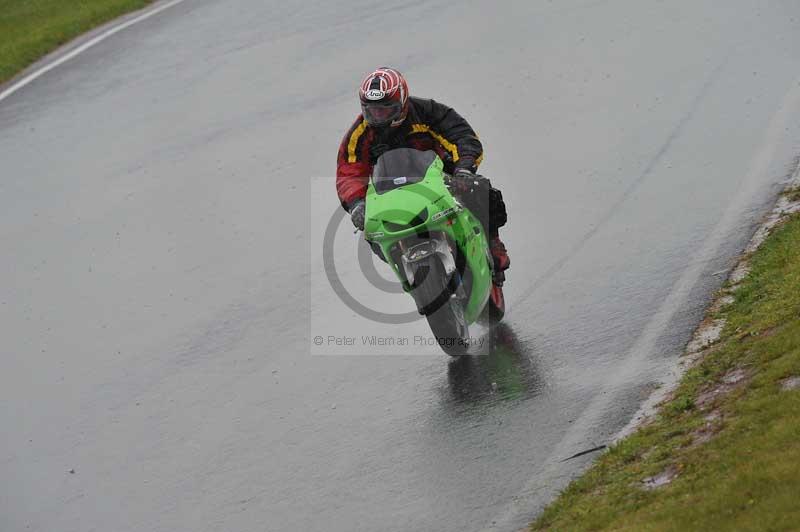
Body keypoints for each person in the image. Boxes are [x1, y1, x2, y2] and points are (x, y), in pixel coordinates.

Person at [336, 66, 510, 314]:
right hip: (391, 194)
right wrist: (357, 204)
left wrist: (463, 170)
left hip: (441, 179)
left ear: (402, 102)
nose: (379, 116)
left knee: (481, 189)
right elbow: (349, 171)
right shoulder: (360, 133)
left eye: (385, 108)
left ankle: (493, 242)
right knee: (371, 232)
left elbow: (463, 136)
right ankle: (409, 271)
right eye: (372, 110)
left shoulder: (428, 112)